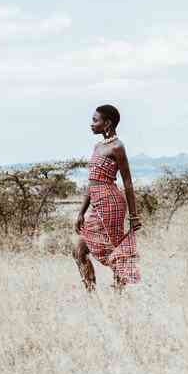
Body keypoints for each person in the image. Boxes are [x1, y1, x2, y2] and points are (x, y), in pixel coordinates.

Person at [74, 104, 142, 292]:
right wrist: (81, 212)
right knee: (78, 251)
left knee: (111, 251)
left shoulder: (117, 147)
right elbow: (93, 181)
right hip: (96, 204)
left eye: (95, 120)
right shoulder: (98, 146)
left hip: (111, 203)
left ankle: (119, 295)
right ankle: (92, 297)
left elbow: (127, 182)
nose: (91, 124)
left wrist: (134, 215)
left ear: (107, 124)